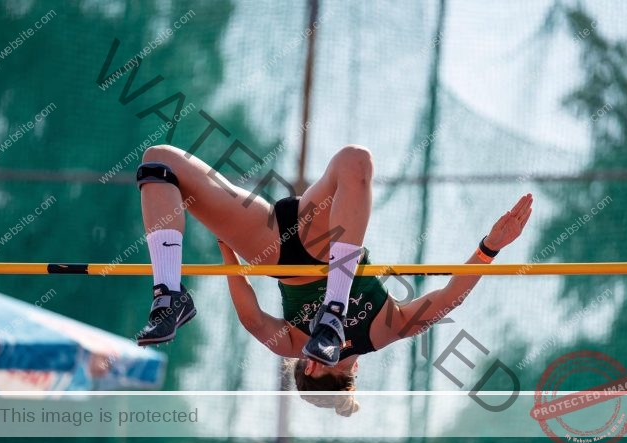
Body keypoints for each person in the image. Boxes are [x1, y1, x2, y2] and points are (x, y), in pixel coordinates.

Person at [134, 143, 533, 415]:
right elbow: (251, 317)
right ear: (311, 372)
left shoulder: (382, 332)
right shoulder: (364, 334)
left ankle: (169, 293)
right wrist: (228, 252)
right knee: (159, 162)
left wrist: (490, 248)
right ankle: (169, 294)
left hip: (284, 242)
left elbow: (450, 298)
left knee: (158, 161)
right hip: (284, 246)